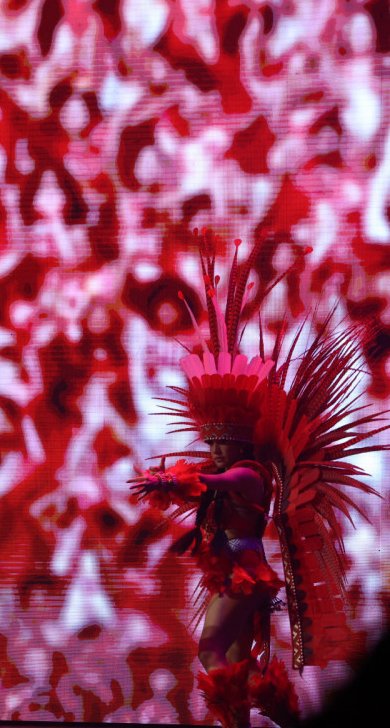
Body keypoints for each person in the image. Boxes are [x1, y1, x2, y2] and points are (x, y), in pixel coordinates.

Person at [131, 235, 384, 728]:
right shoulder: (240, 471)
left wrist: (166, 479)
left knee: (221, 656)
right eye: (214, 442)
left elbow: (205, 480)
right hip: (232, 569)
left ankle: (261, 712)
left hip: (242, 573)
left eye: (223, 441)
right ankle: (260, 712)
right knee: (228, 658)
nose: (216, 448)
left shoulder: (247, 475)